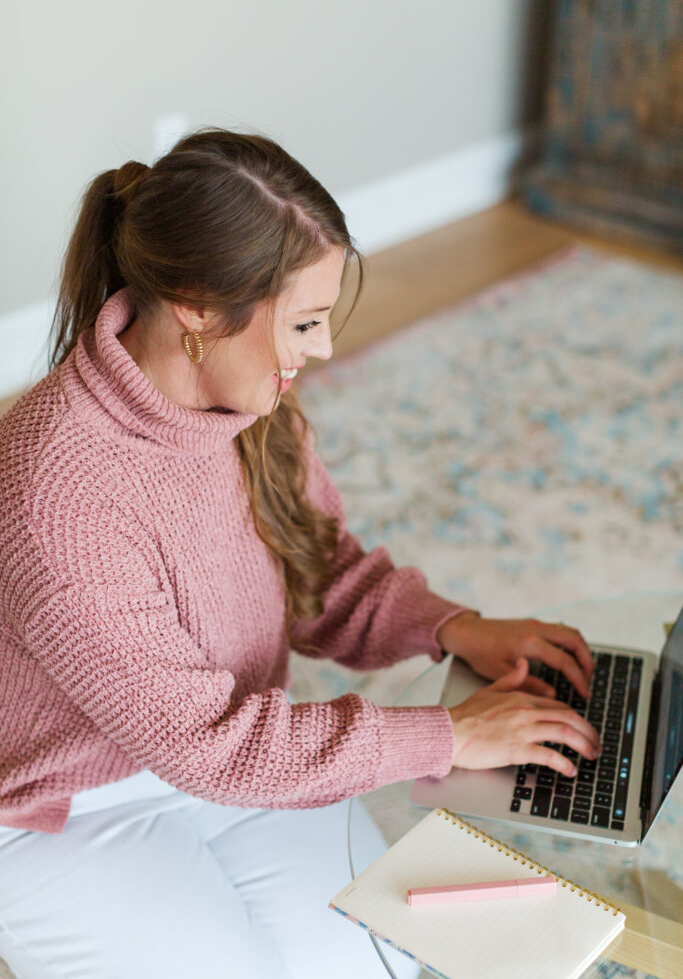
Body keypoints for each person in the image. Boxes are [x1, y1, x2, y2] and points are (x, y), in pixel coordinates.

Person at [0, 127, 600, 979]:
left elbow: (315, 569)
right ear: (199, 307)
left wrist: (454, 628)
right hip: (64, 805)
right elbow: (208, 745)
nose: (320, 349)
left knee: (368, 964)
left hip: (233, 750)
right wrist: (446, 736)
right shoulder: (58, 496)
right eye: (306, 321)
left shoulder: (246, 398)